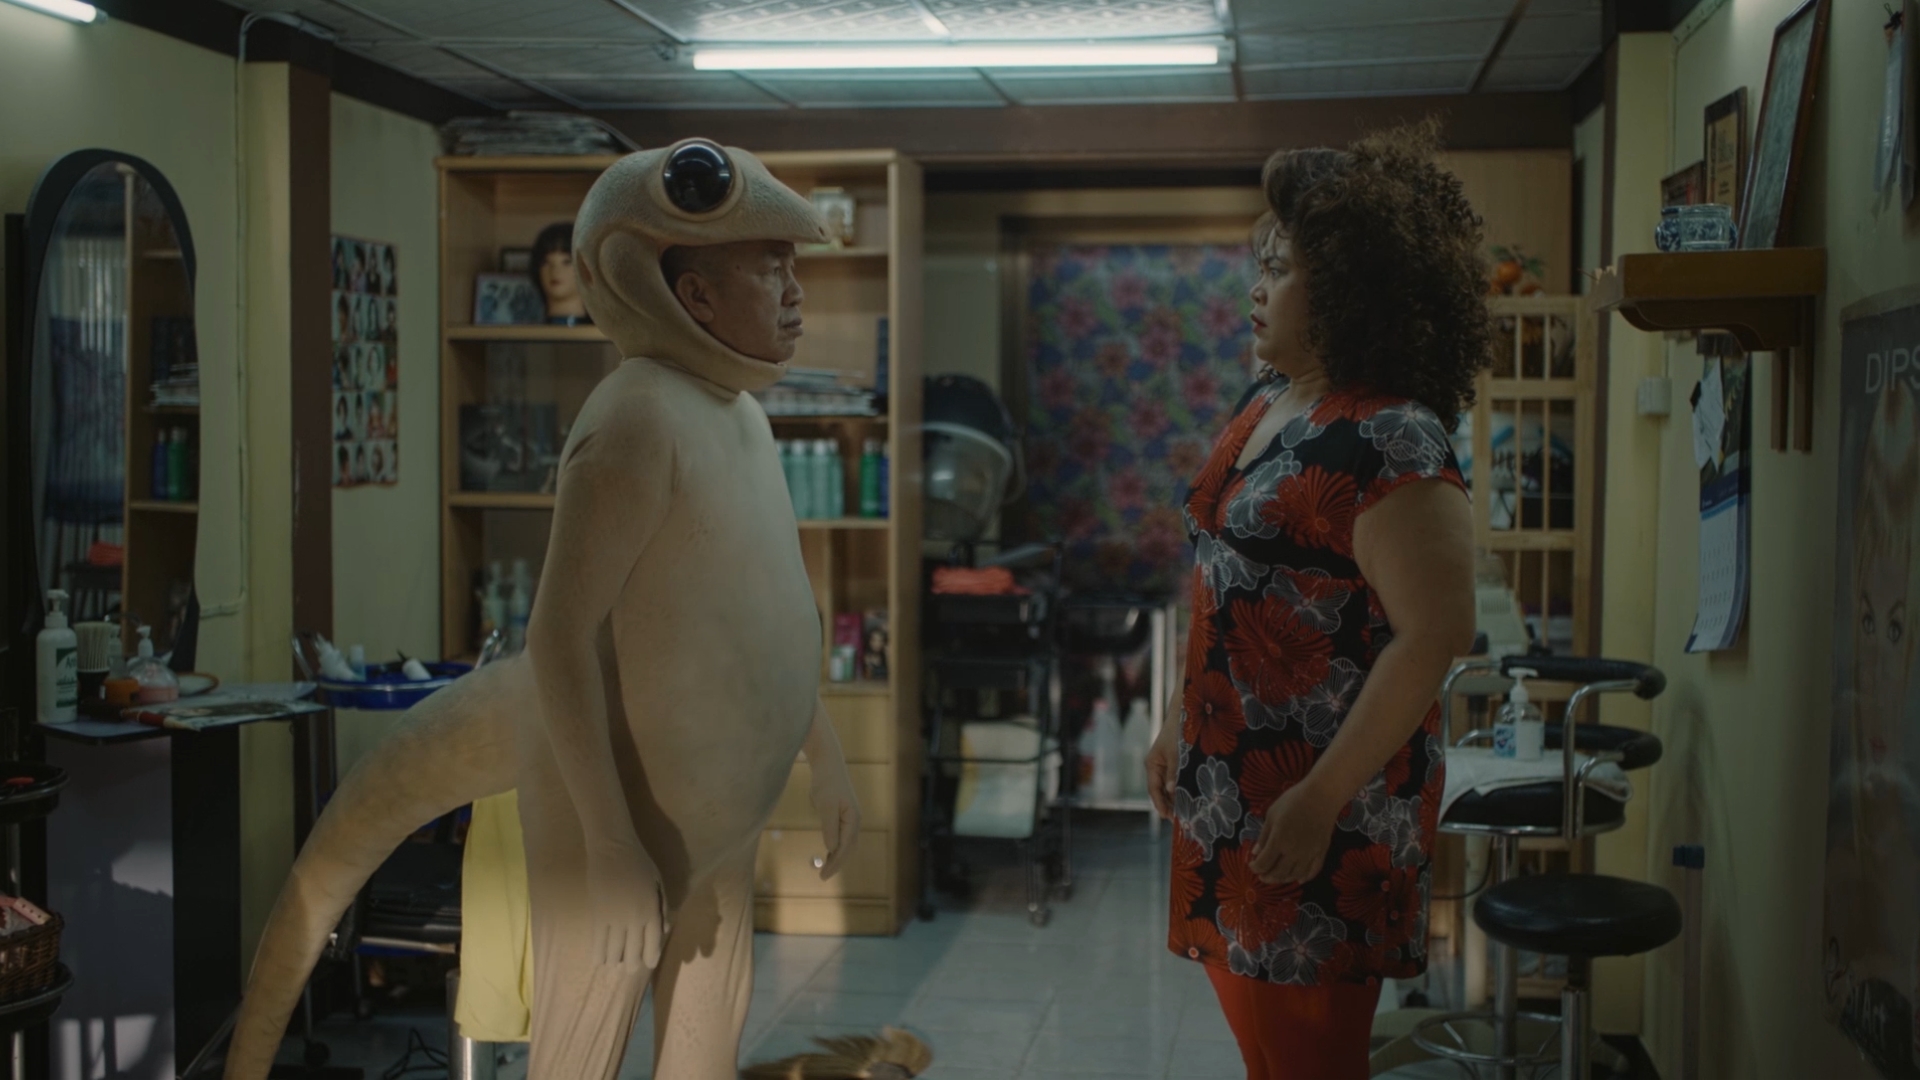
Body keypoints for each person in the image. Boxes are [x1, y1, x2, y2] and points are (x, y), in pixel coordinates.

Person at [225, 140, 853, 1080]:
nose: (796, 292)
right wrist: (608, 841)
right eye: (771, 268)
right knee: (583, 1043)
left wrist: (824, 752)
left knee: (704, 1050)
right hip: (622, 806)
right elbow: (558, 637)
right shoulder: (635, 418)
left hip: (718, 821)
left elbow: (769, 614)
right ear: (693, 296)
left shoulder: (744, 419)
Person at [1145, 122, 1484, 1080]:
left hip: (1320, 805)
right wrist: (1176, 720)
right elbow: (1224, 576)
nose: (1255, 288)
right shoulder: (1268, 400)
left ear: (1345, 289)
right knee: (1267, 1058)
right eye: (1260, 264)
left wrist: (1321, 797)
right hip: (1230, 791)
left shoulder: (1394, 437)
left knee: (1311, 1061)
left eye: (1280, 268)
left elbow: (1435, 635)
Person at [531, 221, 591, 324]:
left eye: (567, 262)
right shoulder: (523, 331)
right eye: (546, 262)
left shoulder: (605, 331)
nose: (555, 271)